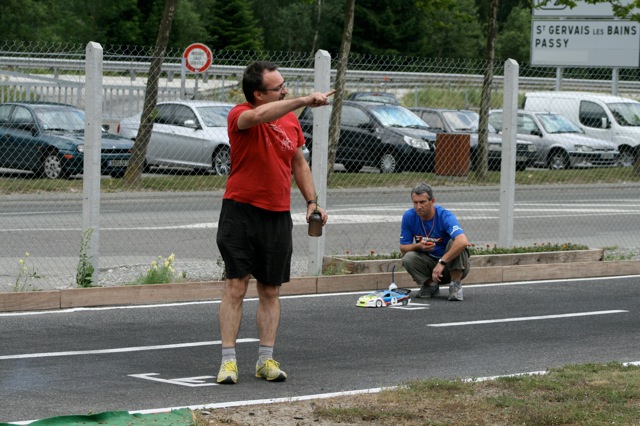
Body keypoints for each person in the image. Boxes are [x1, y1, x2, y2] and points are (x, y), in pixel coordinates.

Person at [215, 61, 333, 384]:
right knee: (236, 286)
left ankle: (265, 360)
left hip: (277, 214)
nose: (285, 90)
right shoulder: (240, 114)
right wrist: (304, 101)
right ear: (258, 94)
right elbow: (259, 117)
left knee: (270, 289)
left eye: (285, 84)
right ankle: (228, 361)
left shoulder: (291, 120)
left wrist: (312, 202)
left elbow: (298, 163)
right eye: (278, 87)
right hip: (240, 211)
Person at [399, 183, 470, 301]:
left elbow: (463, 241)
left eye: (422, 202)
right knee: (408, 257)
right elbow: (403, 248)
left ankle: (455, 285)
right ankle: (430, 285)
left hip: (450, 266)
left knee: (455, 242)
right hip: (430, 266)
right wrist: (418, 246)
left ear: (432, 201)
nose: (418, 206)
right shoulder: (409, 216)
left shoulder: (445, 216)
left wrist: (442, 262)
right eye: (415, 203)